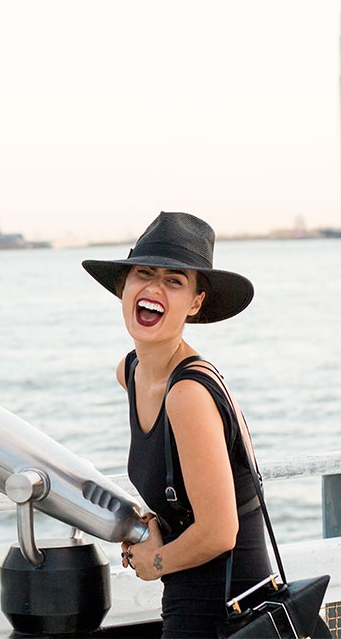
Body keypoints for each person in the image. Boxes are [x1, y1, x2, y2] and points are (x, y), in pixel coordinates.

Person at [82, 211, 271, 637]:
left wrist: (154, 562)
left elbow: (221, 532)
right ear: (123, 287)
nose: (153, 288)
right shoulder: (130, 372)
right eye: (143, 273)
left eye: (174, 280)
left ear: (196, 303)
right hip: (188, 604)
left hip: (229, 615)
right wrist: (156, 522)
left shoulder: (187, 394)